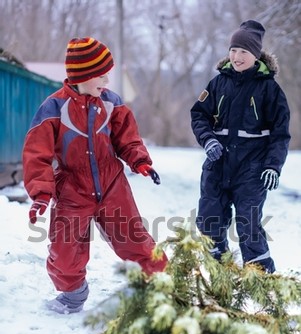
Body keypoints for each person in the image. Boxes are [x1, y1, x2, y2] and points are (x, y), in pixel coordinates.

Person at [23, 37, 168, 313]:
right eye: (102, 75)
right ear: (84, 75)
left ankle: (160, 287)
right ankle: (73, 295)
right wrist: (42, 194)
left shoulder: (111, 103)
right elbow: (37, 153)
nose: (107, 81)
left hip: (112, 184)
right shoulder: (54, 108)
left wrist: (140, 162)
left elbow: (128, 138)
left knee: (135, 239)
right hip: (72, 187)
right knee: (65, 249)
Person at [191, 20, 290, 273]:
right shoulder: (217, 83)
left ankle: (261, 280)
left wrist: (273, 166)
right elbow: (198, 115)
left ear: (255, 55)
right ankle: (219, 272)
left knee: (248, 223)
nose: (236, 56)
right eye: (233, 50)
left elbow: (280, 135)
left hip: (252, 168)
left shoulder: (269, 89)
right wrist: (208, 140)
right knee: (209, 221)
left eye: (243, 51)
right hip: (218, 163)